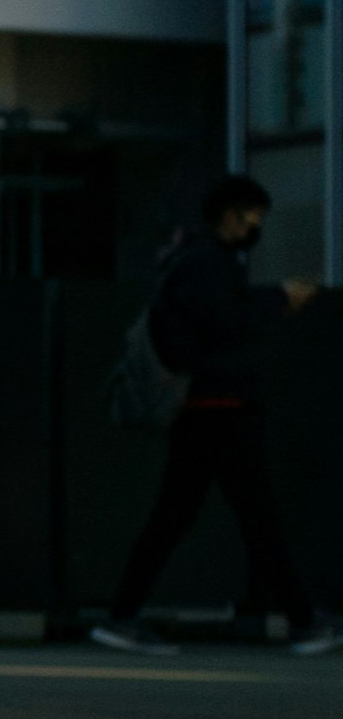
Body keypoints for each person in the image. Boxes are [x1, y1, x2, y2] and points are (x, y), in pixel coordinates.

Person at [97, 172, 343, 658]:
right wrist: (279, 299)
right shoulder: (210, 263)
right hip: (222, 412)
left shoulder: (188, 259)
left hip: (203, 413)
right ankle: (303, 622)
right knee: (257, 519)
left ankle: (123, 616)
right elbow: (227, 325)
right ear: (232, 215)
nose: (257, 225)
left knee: (183, 518)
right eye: (254, 215)